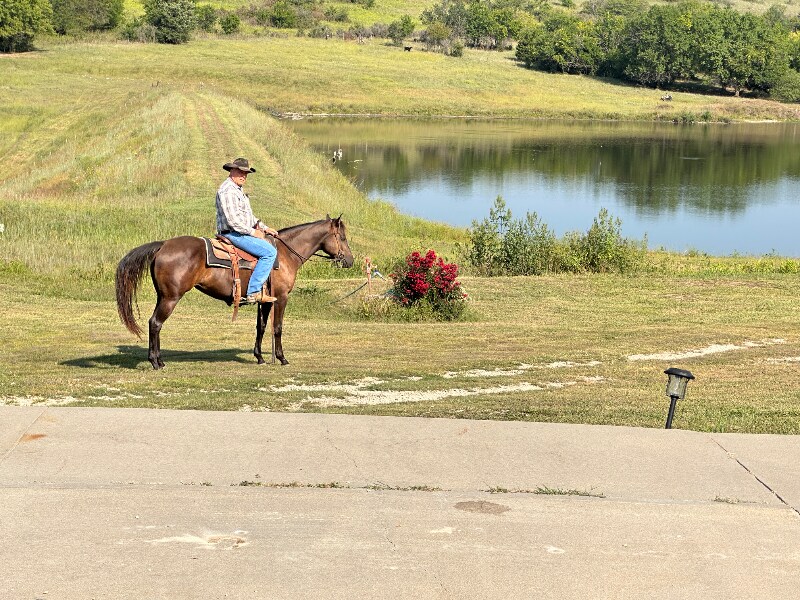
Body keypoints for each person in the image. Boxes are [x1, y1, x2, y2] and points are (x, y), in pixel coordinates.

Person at [216, 157, 279, 304]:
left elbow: (248, 217)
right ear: (231, 171)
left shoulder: (238, 190)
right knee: (270, 253)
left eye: (246, 173)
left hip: (240, 231)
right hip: (233, 233)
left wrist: (264, 228)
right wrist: (253, 232)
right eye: (240, 172)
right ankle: (253, 292)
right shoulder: (227, 191)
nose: (243, 176)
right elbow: (233, 221)